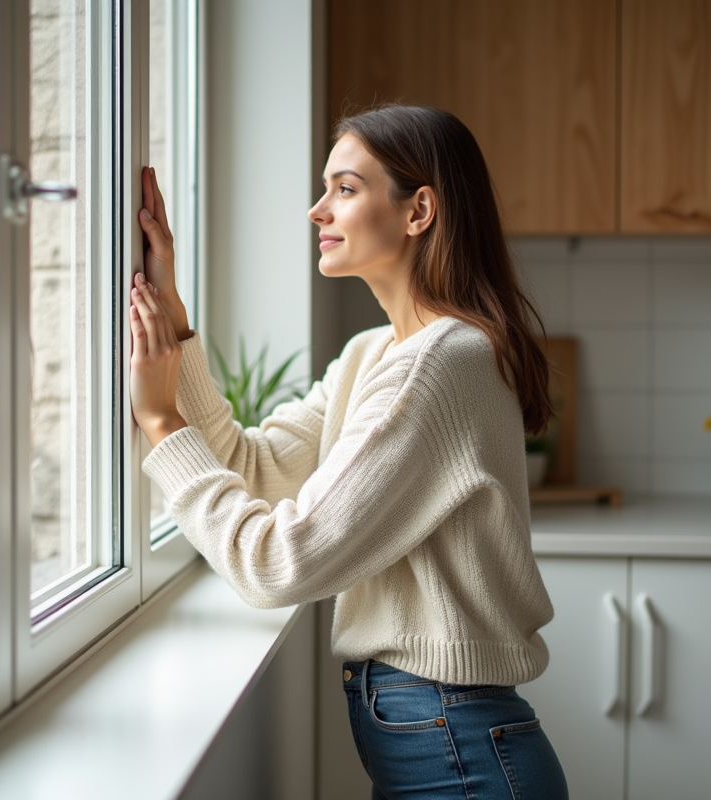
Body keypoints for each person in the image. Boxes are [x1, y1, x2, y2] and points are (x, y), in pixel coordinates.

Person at [129, 104, 568, 799]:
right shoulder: (374, 355)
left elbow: (277, 565)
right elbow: (255, 471)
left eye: (345, 188)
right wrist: (175, 324)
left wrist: (161, 423)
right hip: (441, 740)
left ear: (419, 210)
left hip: (456, 750)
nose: (317, 210)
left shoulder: (440, 365)